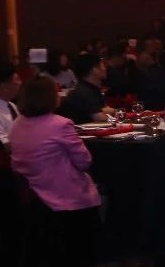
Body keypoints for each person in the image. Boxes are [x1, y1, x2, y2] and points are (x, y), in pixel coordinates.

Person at [8, 77, 101, 251]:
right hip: (59, 190)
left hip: (29, 188)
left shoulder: (17, 123)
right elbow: (84, 161)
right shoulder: (60, 124)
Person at [59, 54, 114, 125]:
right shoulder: (84, 91)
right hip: (83, 131)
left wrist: (107, 111)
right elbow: (101, 119)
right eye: (103, 66)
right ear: (95, 70)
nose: (105, 68)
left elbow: (106, 109)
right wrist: (109, 112)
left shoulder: (91, 88)